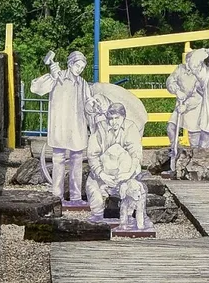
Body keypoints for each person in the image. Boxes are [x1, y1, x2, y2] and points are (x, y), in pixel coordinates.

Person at [29, 50, 91, 205]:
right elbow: (36, 88)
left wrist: (93, 105)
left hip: (77, 127)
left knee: (77, 160)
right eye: (77, 65)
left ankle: (76, 197)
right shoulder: (57, 76)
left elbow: (88, 102)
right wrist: (51, 77)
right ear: (70, 64)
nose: (79, 69)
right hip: (60, 127)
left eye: (82, 67)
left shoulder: (83, 83)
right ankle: (57, 196)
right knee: (59, 160)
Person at [84, 102, 152, 232]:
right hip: (104, 171)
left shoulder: (131, 128)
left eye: (117, 118)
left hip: (125, 172)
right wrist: (101, 174)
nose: (114, 122)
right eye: (111, 119)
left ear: (123, 117)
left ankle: (138, 216)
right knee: (93, 190)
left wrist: (128, 174)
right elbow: (92, 155)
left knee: (138, 190)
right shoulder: (100, 128)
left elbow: (136, 154)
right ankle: (98, 216)